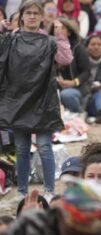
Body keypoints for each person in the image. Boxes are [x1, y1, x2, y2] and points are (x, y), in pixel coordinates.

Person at [0, 0, 73, 201]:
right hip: (17, 102)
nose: (32, 16)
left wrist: (61, 37)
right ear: (21, 16)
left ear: (41, 17)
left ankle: (49, 191)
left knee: (44, 147)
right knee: (22, 149)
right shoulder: (11, 39)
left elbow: (66, 60)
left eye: (36, 13)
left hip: (42, 101)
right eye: (28, 13)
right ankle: (23, 193)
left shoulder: (49, 41)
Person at [0, 178, 101, 235]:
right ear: (62, 215)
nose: (82, 234)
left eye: (89, 228)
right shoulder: (34, 229)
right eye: (76, 227)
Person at [48, 17, 90, 114]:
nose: (58, 30)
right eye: (56, 27)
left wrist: (74, 82)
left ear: (69, 32)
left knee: (66, 95)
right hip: (55, 89)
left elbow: (86, 72)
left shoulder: (77, 48)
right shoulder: (48, 48)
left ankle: (80, 114)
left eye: (62, 28)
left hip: (76, 89)